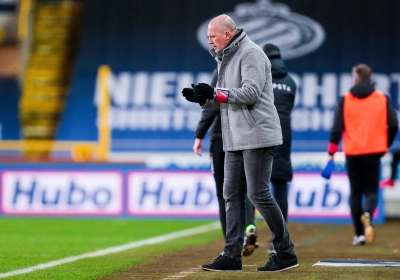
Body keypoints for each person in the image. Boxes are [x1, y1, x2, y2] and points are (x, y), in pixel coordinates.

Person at [182, 14, 297, 272]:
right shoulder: (226, 57)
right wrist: (204, 99)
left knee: (257, 193)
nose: (209, 40)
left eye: (212, 35)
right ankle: (231, 255)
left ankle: (286, 252)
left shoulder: (251, 53)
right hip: (234, 136)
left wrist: (215, 93)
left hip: (257, 134)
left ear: (227, 34)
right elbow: (228, 99)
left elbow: (250, 93)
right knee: (230, 194)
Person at [327, 63, 398, 246]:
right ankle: (367, 214)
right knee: (372, 192)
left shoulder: (345, 99)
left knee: (355, 193)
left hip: (352, 152)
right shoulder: (382, 98)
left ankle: (359, 235)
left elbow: (336, 129)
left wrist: (331, 153)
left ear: (355, 79)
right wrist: (385, 144)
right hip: (374, 151)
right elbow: (394, 123)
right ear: (371, 79)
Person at [193, 69, 259, 257]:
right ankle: (249, 227)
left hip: (221, 138)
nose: (211, 41)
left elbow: (211, 106)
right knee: (242, 189)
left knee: (225, 194)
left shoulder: (221, 70)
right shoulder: (250, 70)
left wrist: (199, 135)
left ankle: (231, 245)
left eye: (213, 37)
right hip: (245, 138)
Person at [261, 43, 297, 254]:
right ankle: (280, 239)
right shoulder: (291, 81)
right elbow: (288, 108)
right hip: (284, 133)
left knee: (253, 184)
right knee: (280, 185)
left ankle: (247, 232)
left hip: (263, 131)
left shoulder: (261, 77)